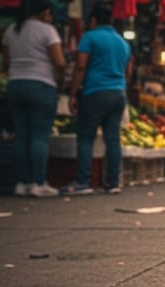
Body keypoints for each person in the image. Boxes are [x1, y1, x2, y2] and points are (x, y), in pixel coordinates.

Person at [62, 1, 131, 195]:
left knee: (85, 137)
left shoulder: (89, 37)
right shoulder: (122, 42)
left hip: (95, 91)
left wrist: (73, 93)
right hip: (118, 93)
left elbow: (81, 66)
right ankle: (113, 182)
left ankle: (83, 182)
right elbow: (129, 71)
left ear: (92, 20)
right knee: (113, 139)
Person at [1, 0, 65, 197]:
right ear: (45, 11)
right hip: (41, 85)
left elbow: (6, 61)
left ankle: (21, 182)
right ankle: (38, 182)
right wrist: (60, 82)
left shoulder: (11, 30)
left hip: (15, 84)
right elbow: (60, 62)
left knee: (21, 135)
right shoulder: (47, 31)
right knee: (39, 136)